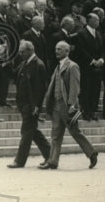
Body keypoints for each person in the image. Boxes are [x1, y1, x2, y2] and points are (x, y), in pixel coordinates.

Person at [40, 40, 98, 169]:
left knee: (75, 132)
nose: (56, 51)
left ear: (67, 51)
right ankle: (53, 161)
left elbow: (75, 87)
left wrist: (72, 104)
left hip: (66, 105)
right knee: (55, 134)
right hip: (56, 105)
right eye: (56, 49)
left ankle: (91, 153)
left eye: (59, 49)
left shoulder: (72, 66)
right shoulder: (57, 67)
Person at [6, 40, 51, 168]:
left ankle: (19, 161)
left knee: (26, 131)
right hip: (23, 104)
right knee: (33, 131)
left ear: (30, 50)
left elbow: (40, 88)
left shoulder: (38, 65)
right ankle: (50, 155)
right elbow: (13, 75)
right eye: (19, 52)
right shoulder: (24, 63)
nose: (20, 54)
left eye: (22, 52)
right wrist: (5, 63)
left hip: (31, 105)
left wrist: (37, 106)